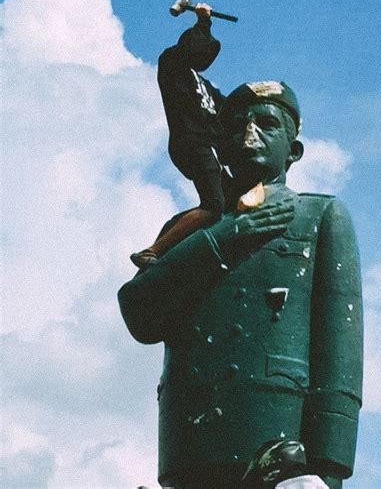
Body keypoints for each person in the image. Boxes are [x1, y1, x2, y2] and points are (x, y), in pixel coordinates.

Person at [118, 81, 363, 489]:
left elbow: (340, 351)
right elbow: (139, 314)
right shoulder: (189, 229)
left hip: (279, 444)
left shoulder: (319, 216)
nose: (250, 134)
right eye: (236, 126)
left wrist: (328, 465)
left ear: (294, 150)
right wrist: (225, 236)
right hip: (190, 450)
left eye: (267, 124)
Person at [130, 3, 228, 269]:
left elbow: (230, 108)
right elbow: (190, 46)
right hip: (191, 141)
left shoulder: (204, 84)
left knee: (225, 202)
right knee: (214, 205)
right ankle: (153, 250)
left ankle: (178, 238)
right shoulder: (172, 62)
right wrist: (203, 22)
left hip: (205, 144)